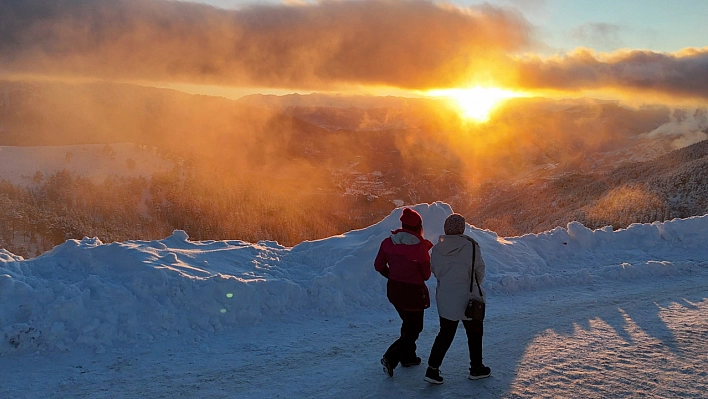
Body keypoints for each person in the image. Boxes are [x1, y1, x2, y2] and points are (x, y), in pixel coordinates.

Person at [424, 213, 491, 385]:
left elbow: (436, 272)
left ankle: (432, 370)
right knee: (475, 334)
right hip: (470, 297)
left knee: (445, 334)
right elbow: (480, 271)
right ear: (462, 229)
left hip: (446, 297)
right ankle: (476, 368)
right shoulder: (471, 246)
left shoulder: (437, 249)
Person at [374, 207, 433, 377]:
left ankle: (408, 357)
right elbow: (426, 275)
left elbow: (378, 266)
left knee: (408, 324)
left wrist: (392, 275)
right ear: (418, 227)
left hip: (394, 291)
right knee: (414, 328)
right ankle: (391, 357)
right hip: (413, 294)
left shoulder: (388, 242)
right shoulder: (420, 248)